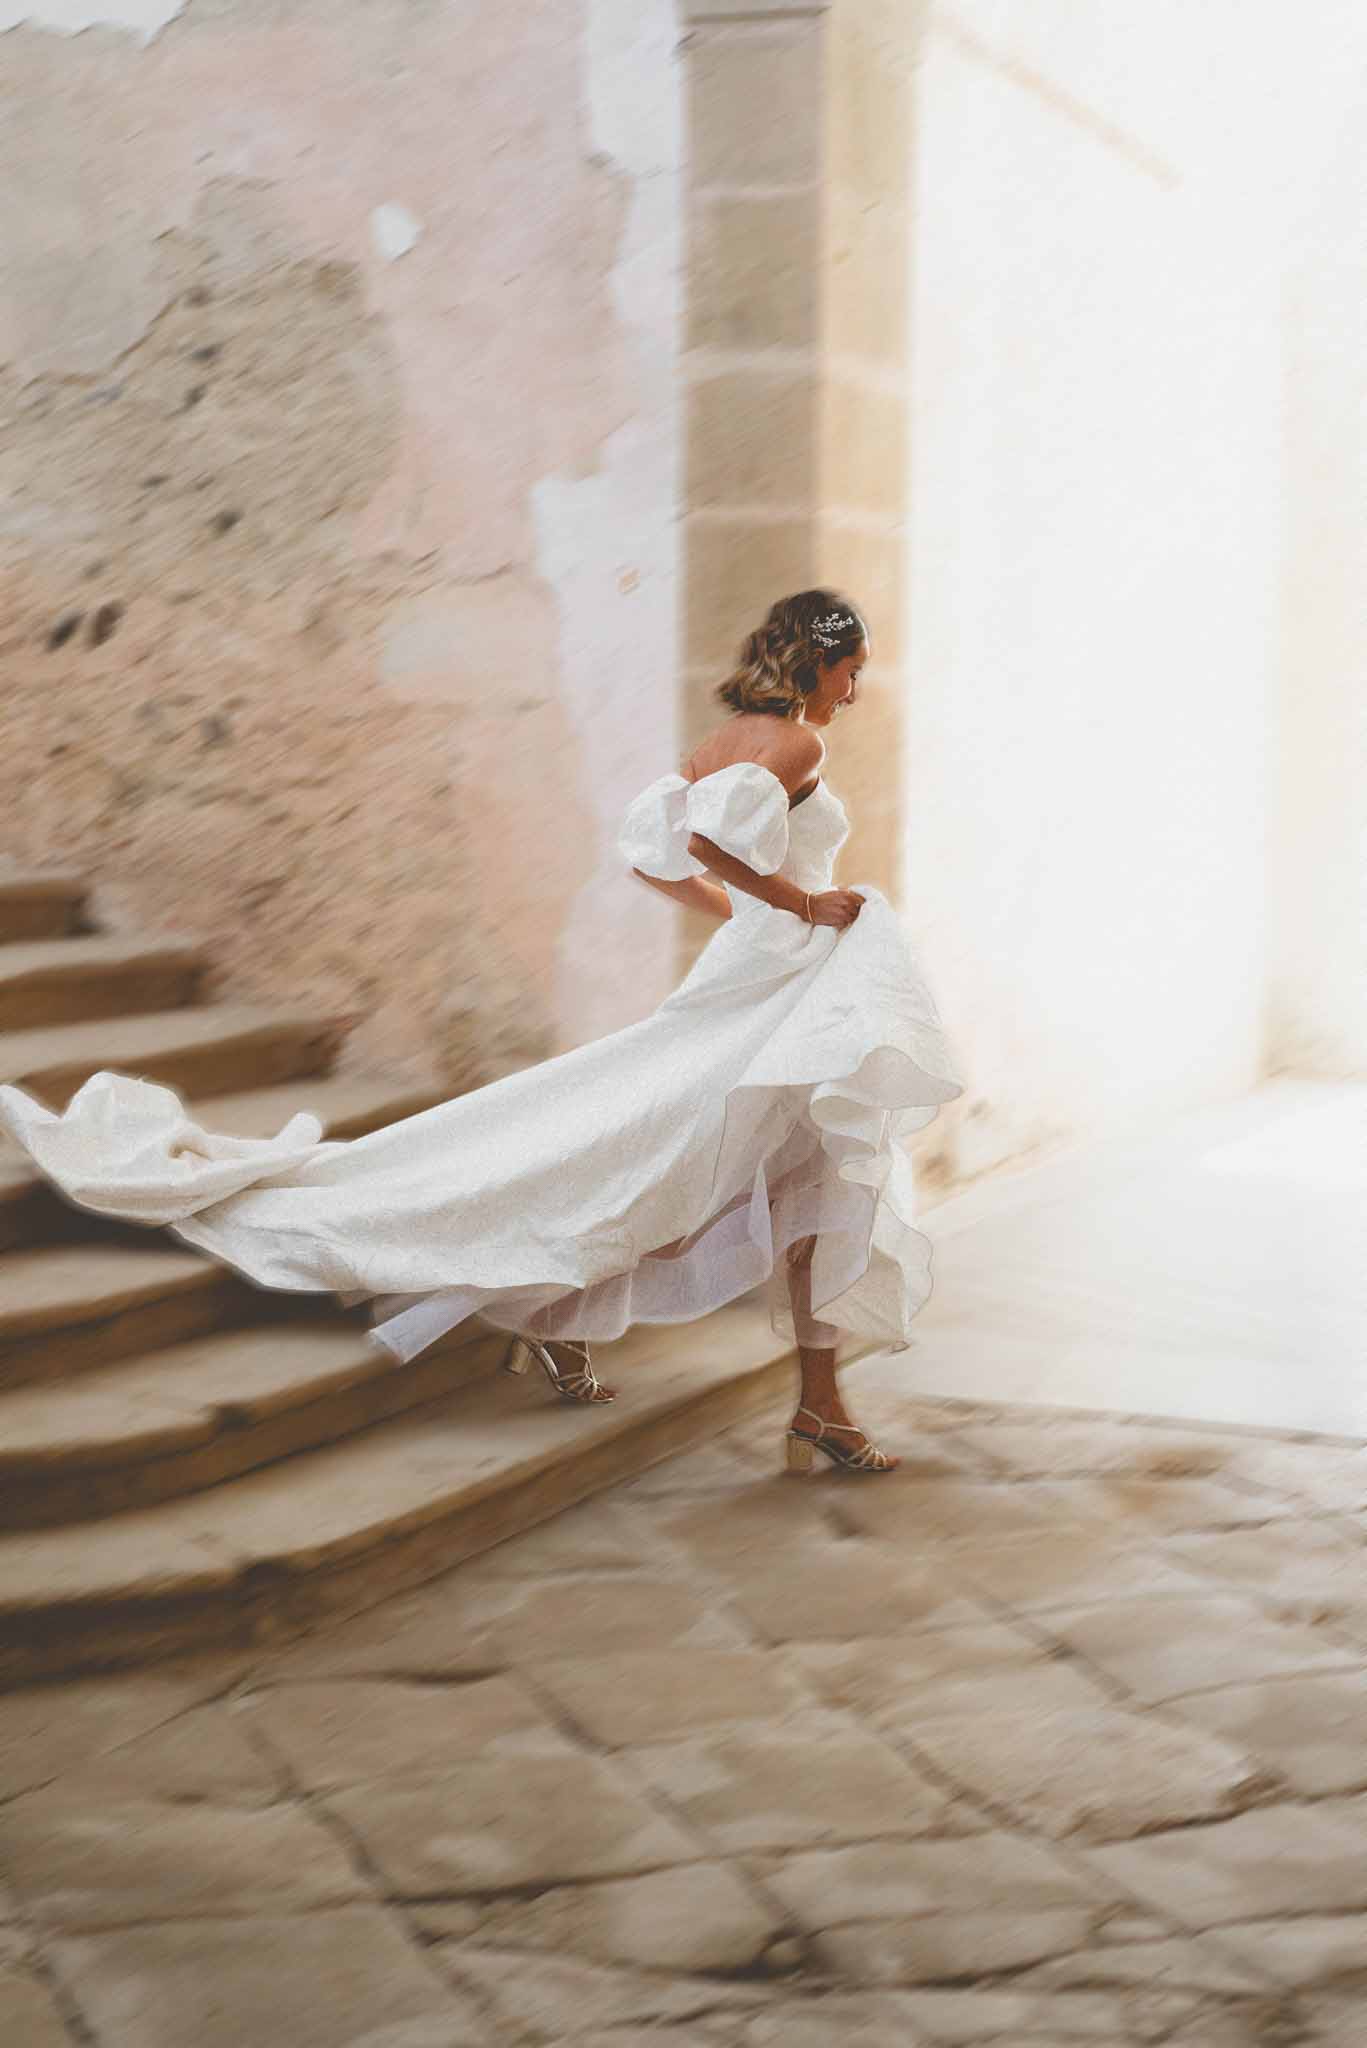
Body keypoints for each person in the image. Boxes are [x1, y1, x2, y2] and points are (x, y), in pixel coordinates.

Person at [0, 587, 963, 1475]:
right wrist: (799, 904)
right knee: (739, 1178)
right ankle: (761, 1385)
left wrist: (746, 915)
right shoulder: (797, 747)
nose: (857, 685)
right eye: (852, 667)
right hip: (777, 994)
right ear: (818, 661)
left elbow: (656, 855)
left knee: (767, 1179)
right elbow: (706, 844)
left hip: (769, 982)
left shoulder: (720, 741)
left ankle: (803, 1399)